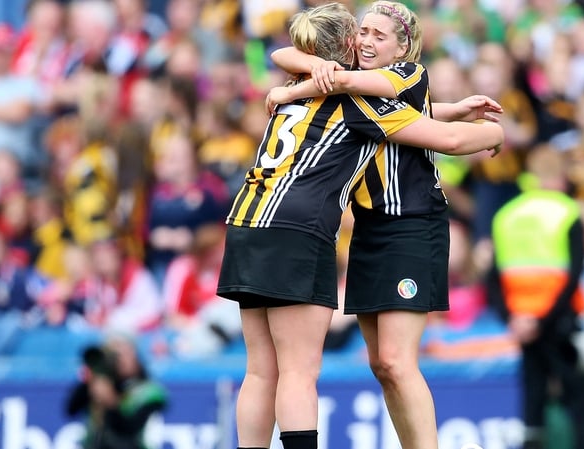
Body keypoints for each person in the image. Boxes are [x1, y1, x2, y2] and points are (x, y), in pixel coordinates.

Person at [216, 4, 504, 449]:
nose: (367, 42)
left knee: (266, 369)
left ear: (404, 46)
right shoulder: (355, 99)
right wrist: (489, 134)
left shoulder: (306, 86)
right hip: (302, 227)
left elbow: (287, 58)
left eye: (378, 35)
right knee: (300, 370)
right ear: (346, 46)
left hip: (251, 219)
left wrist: (458, 115)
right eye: (361, 33)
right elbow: (409, 122)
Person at [486, 147, 584, 449]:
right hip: (558, 321)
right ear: (560, 177)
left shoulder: (506, 215)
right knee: (578, 396)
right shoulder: (568, 212)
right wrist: (543, 319)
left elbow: (492, 277)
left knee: (533, 401)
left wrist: (513, 320)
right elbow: (575, 273)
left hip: (522, 323)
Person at [65, 336, 167, 449]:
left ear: (135, 355)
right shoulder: (105, 383)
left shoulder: (148, 390)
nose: (120, 361)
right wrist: (90, 380)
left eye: (124, 354)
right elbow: (71, 409)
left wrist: (111, 401)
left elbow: (130, 429)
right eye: (115, 356)